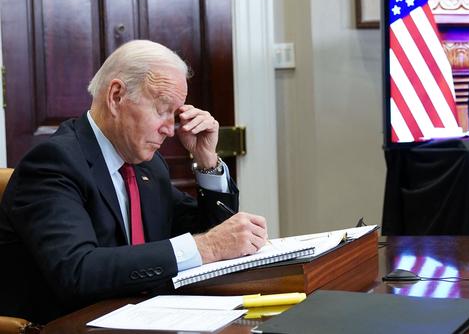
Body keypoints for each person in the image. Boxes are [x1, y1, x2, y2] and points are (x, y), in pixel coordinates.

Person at [0, 40, 268, 323]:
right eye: (162, 109)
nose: (169, 129)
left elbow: (209, 232)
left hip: (145, 320)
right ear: (116, 96)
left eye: (175, 115)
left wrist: (207, 161)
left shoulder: (148, 166)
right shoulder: (53, 162)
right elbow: (78, 271)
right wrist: (207, 247)